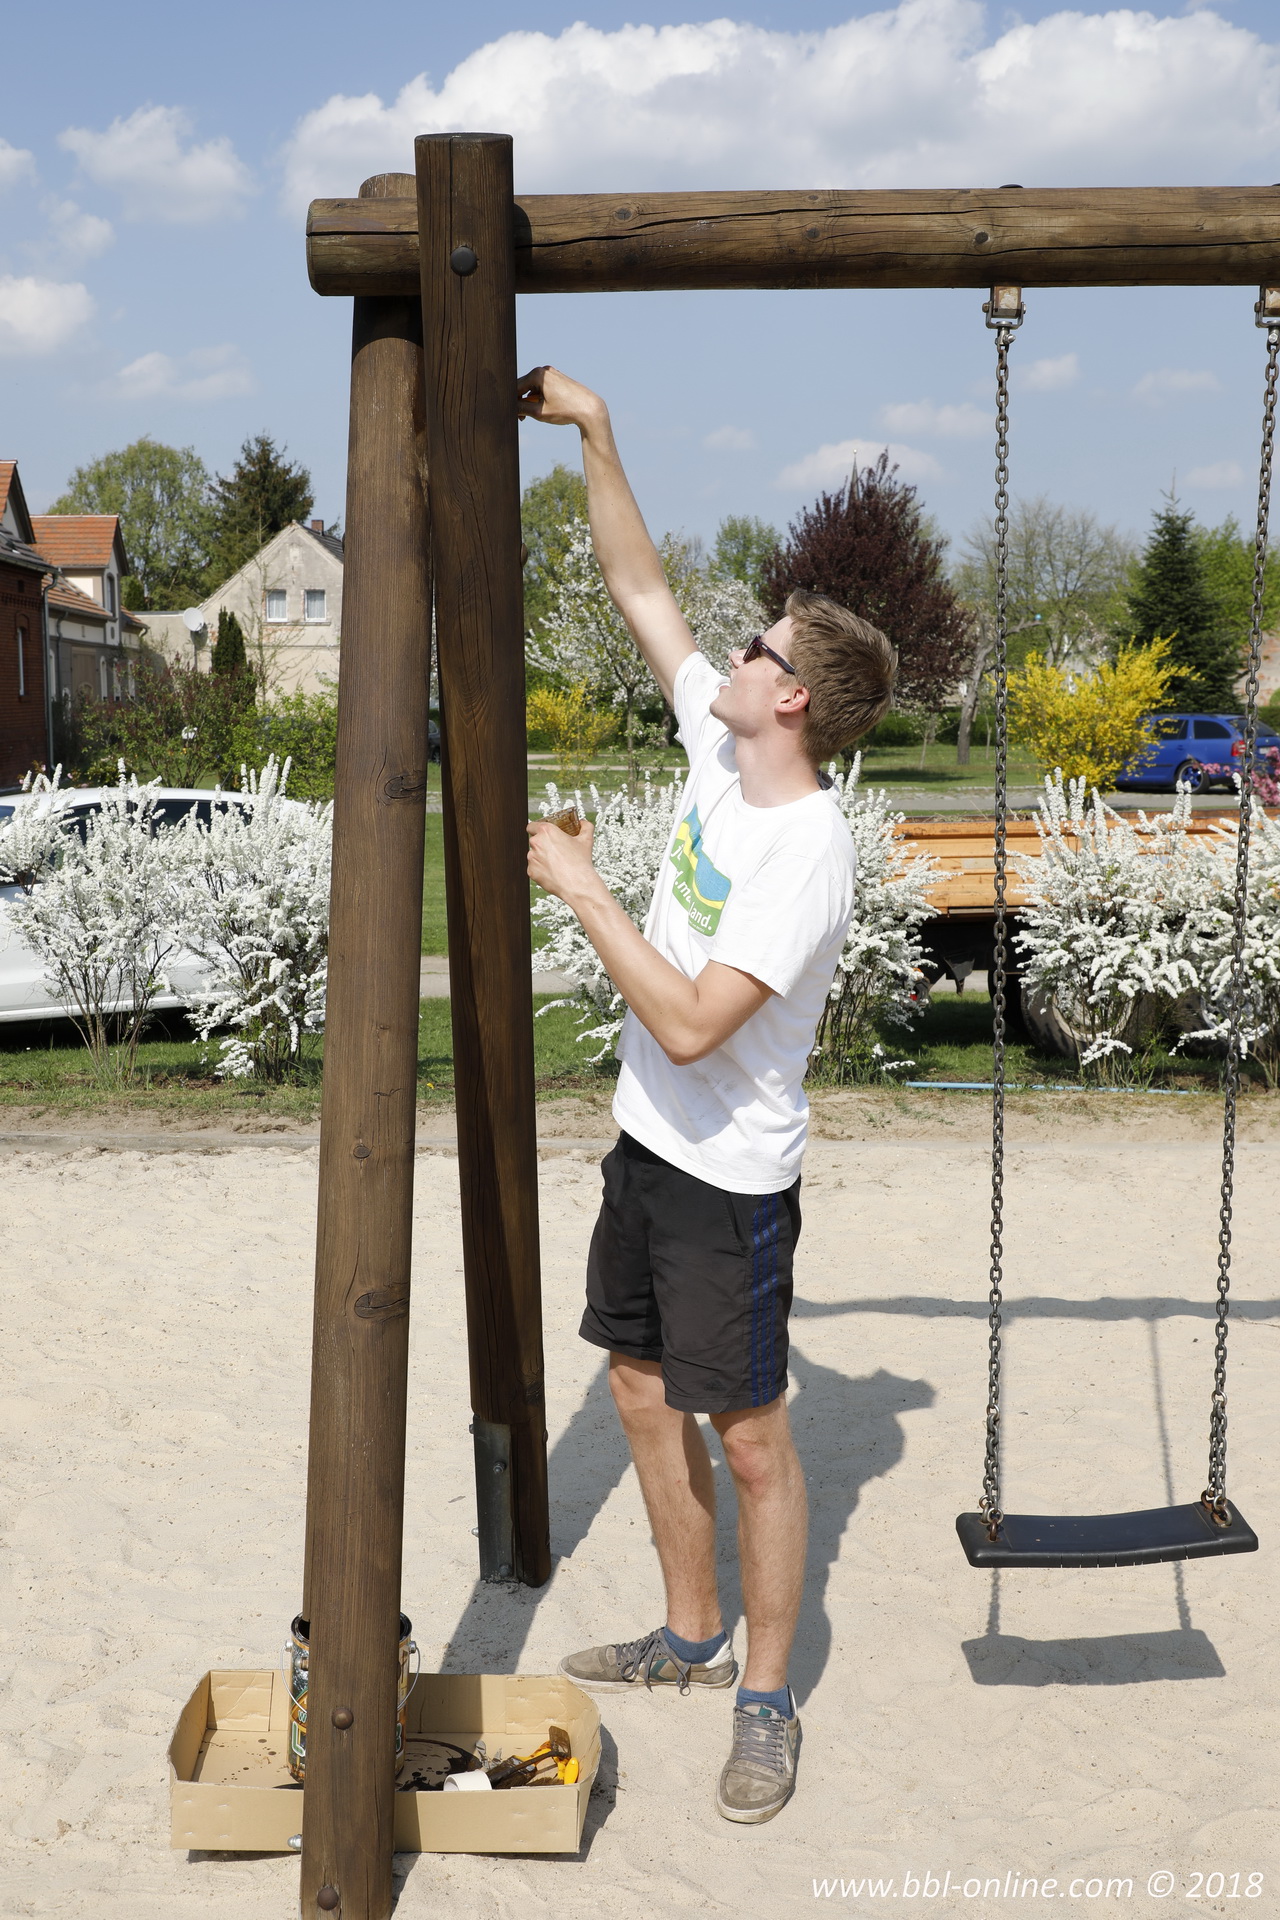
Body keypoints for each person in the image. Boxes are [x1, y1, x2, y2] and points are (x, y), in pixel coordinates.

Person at [520, 365, 897, 1825]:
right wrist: (599, 431)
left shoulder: (805, 851)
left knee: (750, 1438)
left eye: (758, 647)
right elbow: (640, 588)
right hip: (644, 1149)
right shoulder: (720, 752)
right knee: (634, 1385)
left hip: (729, 1178)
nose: (730, 652)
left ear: (791, 696)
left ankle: (766, 1699)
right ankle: (691, 1638)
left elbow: (687, 1026)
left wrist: (583, 888)